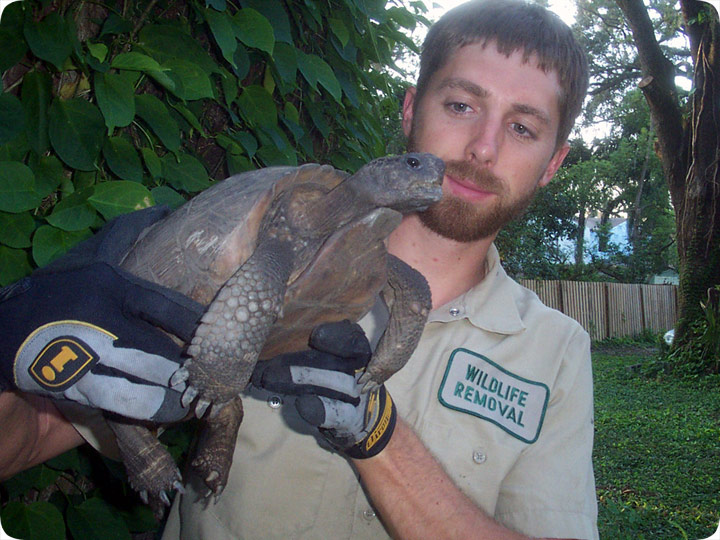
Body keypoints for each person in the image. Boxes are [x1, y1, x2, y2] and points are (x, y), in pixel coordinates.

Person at [1, 0, 597, 538]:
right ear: (412, 110)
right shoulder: (299, 220)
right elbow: (22, 437)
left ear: (554, 163)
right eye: (462, 105)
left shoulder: (555, 350)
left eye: (522, 127)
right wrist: (8, 350)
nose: (482, 147)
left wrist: (380, 437)